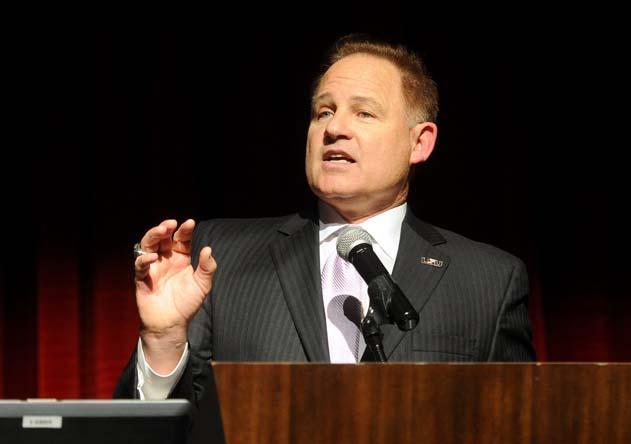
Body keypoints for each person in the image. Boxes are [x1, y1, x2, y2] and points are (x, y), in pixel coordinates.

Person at [115, 33, 535, 430]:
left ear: (419, 143)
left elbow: (523, 426)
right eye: (324, 112)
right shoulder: (219, 257)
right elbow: (158, 432)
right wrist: (163, 339)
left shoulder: (488, 280)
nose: (335, 128)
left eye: (364, 113)